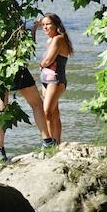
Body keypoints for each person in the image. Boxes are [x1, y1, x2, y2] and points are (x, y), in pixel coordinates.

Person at [34, 13, 73, 146]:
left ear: (56, 25)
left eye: (48, 24)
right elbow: (32, 44)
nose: (45, 27)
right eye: (43, 25)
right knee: (54, 113)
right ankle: (57, 143)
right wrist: (35, 27)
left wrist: (41, 64)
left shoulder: (58, 39)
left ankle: (51, 142)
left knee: (47, 112)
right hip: (46, 82)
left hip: (56, 81)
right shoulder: (50, 40)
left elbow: (48, 60)